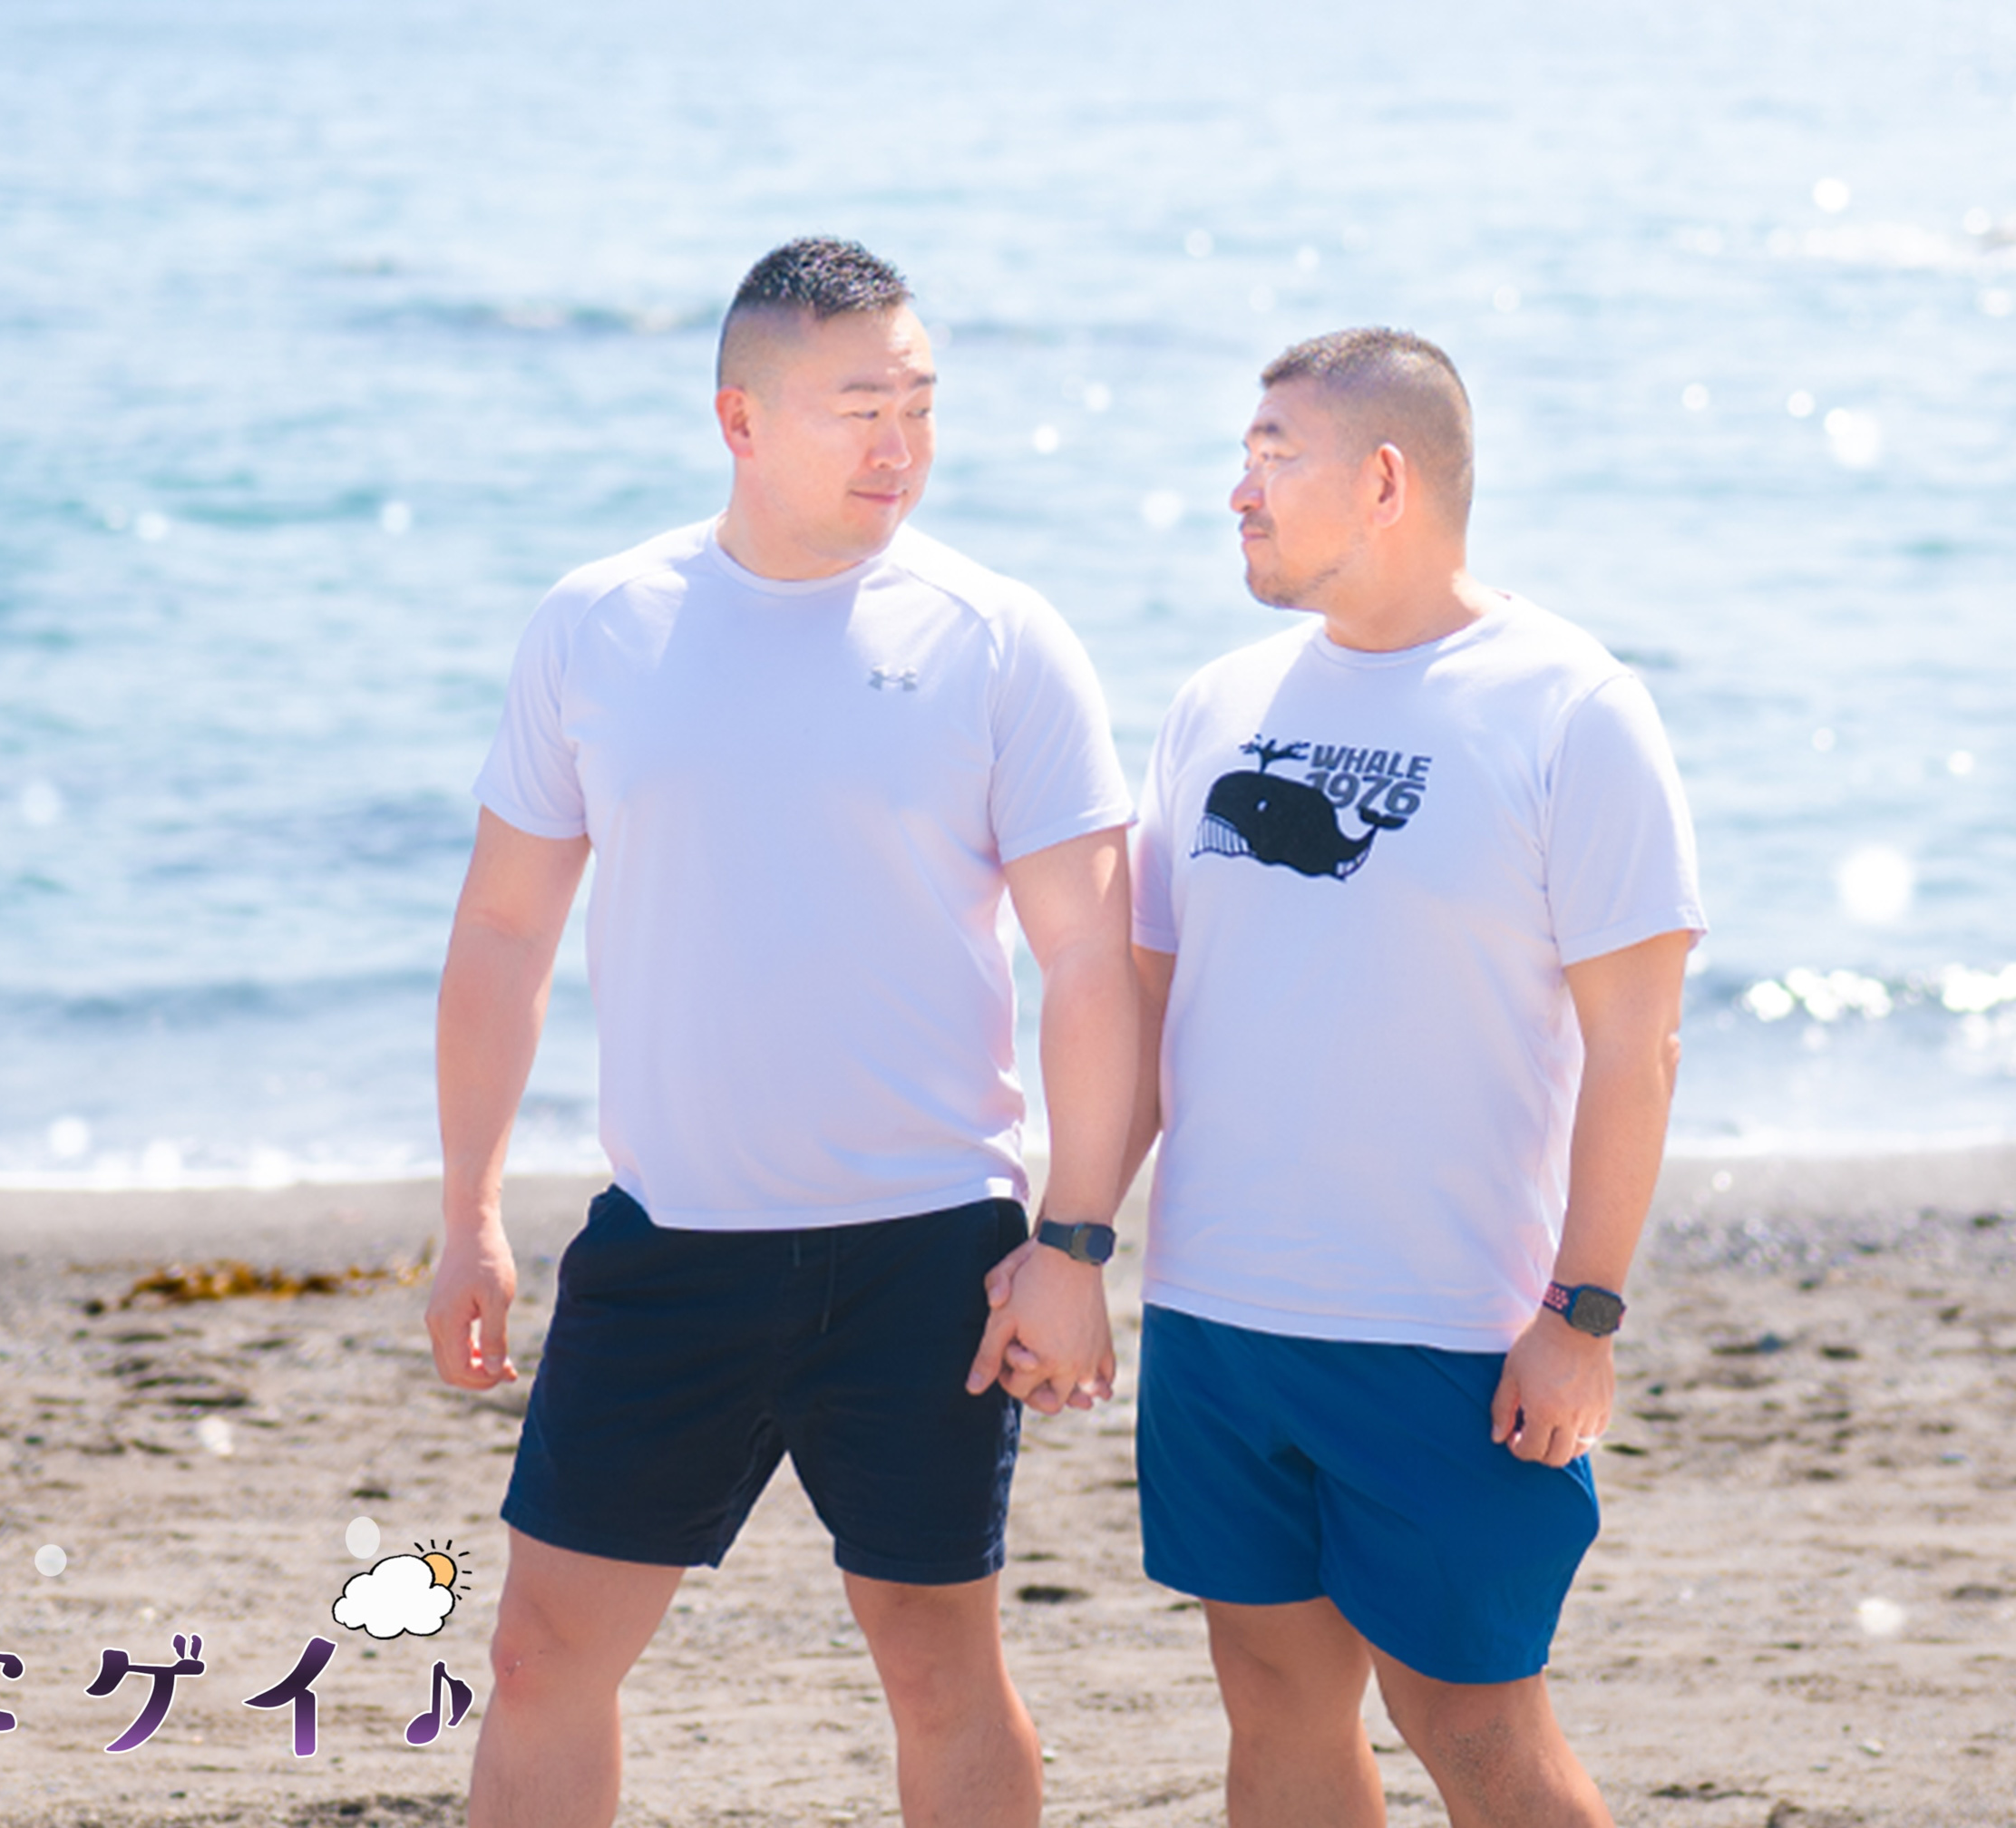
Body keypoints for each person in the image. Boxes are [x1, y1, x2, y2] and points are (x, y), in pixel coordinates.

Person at [424, 235, 1140, 1828]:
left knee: (940, 1670)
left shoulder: (998, 635)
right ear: (739, 419)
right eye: (859, 408)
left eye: (921, 405)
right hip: (672, 1244)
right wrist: (469, 1210)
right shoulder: (599, 623)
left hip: (927, 1253)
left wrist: (1077, 1243)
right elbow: (503, 929)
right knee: (539, 1660)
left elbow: (1092, 959)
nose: (902, 445)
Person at [1019, 326, 1699, 1828]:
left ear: (1387, 481)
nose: (1239, 491)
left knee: (1474, 1727)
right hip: (1220, 1319)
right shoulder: (1218, 703)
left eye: (1277, 458)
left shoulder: (1572, 708)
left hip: (1447, 1331)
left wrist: (1583, 1313)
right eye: (1243, 455)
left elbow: (1636, 1047)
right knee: (1271, 1702)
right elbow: (1149, 1008)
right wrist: (1072, 1242)